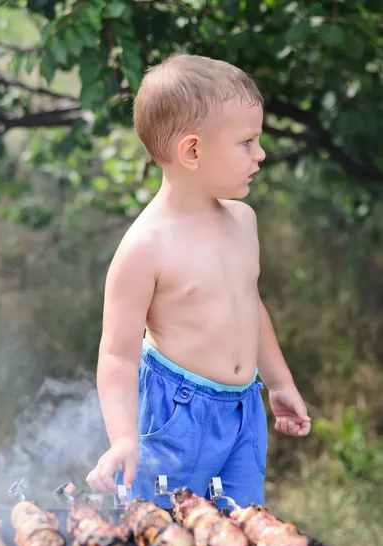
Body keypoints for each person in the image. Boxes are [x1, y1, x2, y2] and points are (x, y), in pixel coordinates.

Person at [86, 54, 311, 508]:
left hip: (244, 411)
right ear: (192, 151)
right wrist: (124, 438)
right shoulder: (144, 248)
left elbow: (249, 306)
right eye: (247, 142)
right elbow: (116, 354)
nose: (261, 154)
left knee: (243, 529)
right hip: (177, 417)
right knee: (161, 533)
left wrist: (280, 381)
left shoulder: (243, 220)